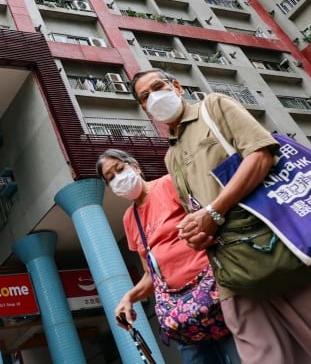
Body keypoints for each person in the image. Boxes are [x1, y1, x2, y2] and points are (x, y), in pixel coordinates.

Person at [130, 69, 311, 364]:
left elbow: (261, 155)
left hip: (278, 246)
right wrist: (199, 231)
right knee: (262, 355)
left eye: (158, 86)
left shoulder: (214, 107)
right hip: (230, 269)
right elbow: (199, 210)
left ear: (177, 86)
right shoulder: (170, 156)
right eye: (145, 97)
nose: (155, 97)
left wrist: (214, 211)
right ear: (144, 108)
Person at [97, 149, 241, 364]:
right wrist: (129, 298)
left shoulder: (168, 184)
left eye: (120, 169)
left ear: (135, 166)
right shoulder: (130, 219)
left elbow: (211, 218)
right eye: (111, 178)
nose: (119, 179)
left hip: (219, 294)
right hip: (183, 313)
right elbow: (151, 275)